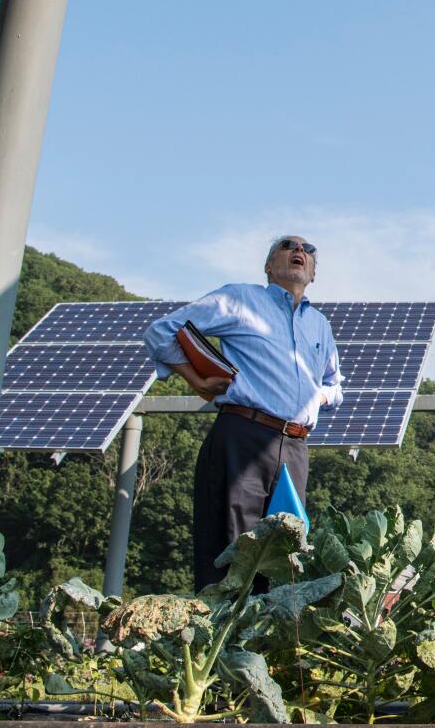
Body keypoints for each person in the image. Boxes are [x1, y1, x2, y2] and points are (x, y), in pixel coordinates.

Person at [144, 235, 341, 592]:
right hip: (243, 435)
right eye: (288, 246)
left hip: (295, 449)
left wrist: (318, 397)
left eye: (308, 250)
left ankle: (268, 645)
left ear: (313, 273)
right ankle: (226, 640)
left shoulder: (320, 326)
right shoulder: (239, 299)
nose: (299, 251)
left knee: (286, 558)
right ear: (268, 266)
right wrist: (197, 379)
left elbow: (334, 385)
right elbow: (161, 332)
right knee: (233, 553)